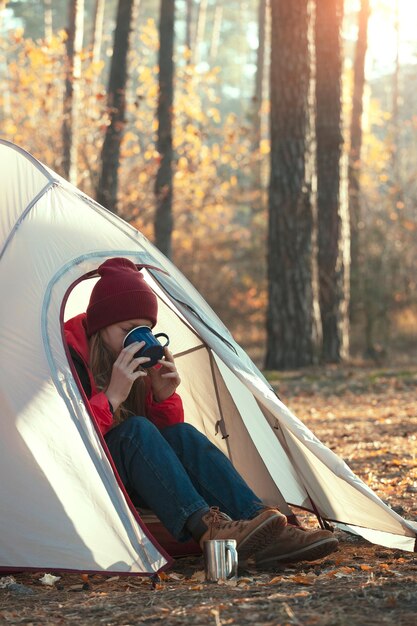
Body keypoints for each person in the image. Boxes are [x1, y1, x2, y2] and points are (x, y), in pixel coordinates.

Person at [65, 258, 338, 568]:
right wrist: (112, 397)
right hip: (95, 479)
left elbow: (163, 447)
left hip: (142, 479)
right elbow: (69, 442)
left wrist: (163, 397)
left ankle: (263, 525)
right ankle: (207, 529)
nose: (138, 336)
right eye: (128, 329)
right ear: (101, 326)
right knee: (136, 429)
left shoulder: (139, 365)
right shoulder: (69, 355)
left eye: (146, 330)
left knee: (181, 434)